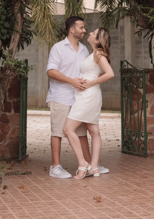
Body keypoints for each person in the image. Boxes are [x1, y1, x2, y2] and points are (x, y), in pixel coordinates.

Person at [45, 16, 109, 178]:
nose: (84, 30)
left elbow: (89, 68)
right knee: (58, 132)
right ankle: (56, 167)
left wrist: (97, 74)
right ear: (72, 29)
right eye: (81, 27)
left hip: (79, 98)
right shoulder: (58, 48)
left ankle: (90, 165)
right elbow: (51, 71)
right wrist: (71, 81)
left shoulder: (84, 50)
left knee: (82, 133)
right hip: (60, 96)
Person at [63, 27, 114, 179]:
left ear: (97, 40)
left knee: (68, 129)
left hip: (88, 96)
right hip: (87, 95)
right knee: (94, 131)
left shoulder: (98, 54)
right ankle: (94, 167)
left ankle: (83, 164)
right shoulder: (94, 54)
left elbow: (110, 73)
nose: (90, 34)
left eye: (93, 33)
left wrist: (91, 83)